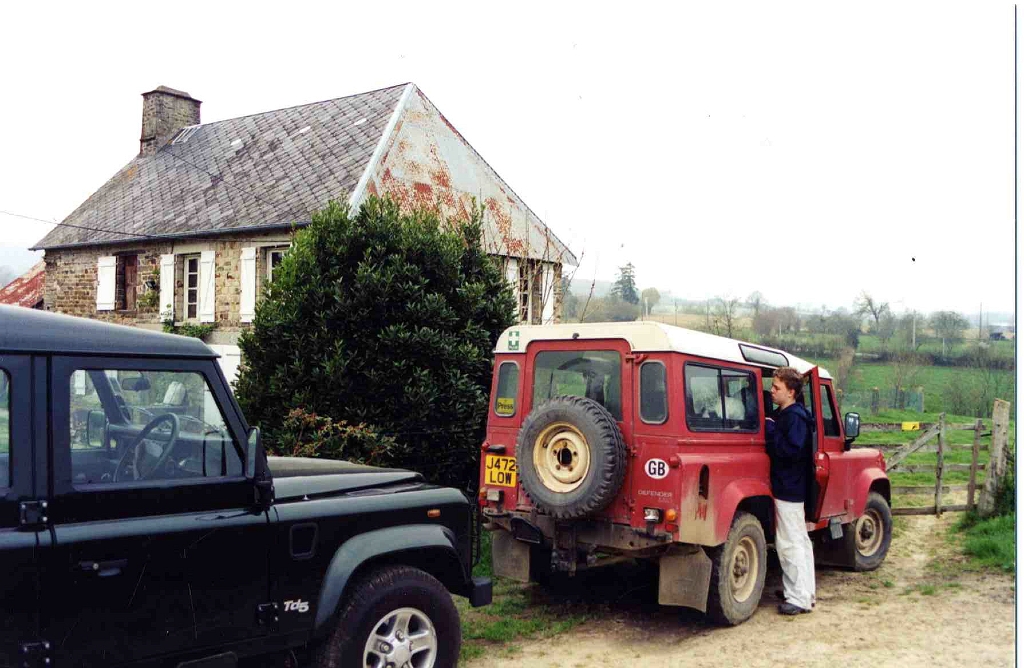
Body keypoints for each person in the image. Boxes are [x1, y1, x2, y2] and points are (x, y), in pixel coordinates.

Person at [765, 367, 816, 615]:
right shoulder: (792, 415)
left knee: (789, 542)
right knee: (799, 540)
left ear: (791, 392)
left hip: (788, 486)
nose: (771, 391)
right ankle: (805, 591)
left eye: (777, 388)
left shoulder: (793, 418)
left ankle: (798, 598)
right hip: (793, 486)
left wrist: (771, 431)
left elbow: (789, 452)